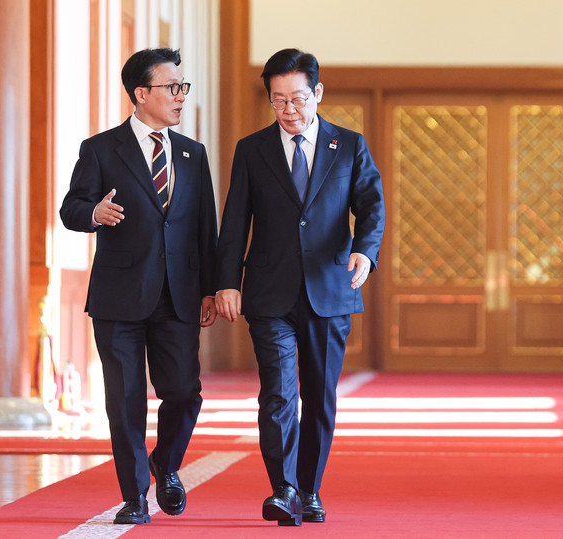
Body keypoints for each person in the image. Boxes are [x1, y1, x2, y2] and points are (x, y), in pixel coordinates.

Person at [215, 48, 385, 526]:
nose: (289, 110)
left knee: (319, 396)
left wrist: (365, 251)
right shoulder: (252, 150)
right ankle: (283, 488)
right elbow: (235, 222)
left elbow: (371, 206)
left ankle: (309, 489)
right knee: (277, 394)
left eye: (298, 99)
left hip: (329, 290)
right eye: (279, 100)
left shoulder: (348, 145)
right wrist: (226, 282)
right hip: (269, 294)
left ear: (318, 93)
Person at [59, 48, 218, 525]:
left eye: (182, 87)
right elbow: (71, 208)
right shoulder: (101, 149)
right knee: (125, 400)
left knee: (184, 393)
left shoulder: (192, 153)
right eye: (172, 87)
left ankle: (165, 464)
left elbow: (204, 228)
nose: (180, 96)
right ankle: (134, 496)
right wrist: (93, 213)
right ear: (141, 93)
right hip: (119, 296)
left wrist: (210, 288)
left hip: (178, 296)